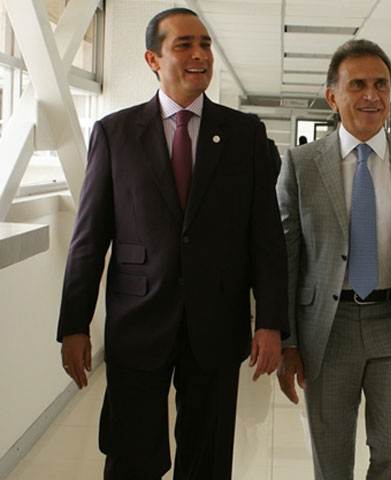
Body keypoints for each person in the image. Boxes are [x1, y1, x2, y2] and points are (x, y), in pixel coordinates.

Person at [57, 7, 288, 480]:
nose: (200, 54)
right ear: (153, 59)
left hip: (217, 323)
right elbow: (89, 238)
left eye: (205, 44)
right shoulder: (116, 133)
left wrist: (270, 322)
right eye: (184, 45)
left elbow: (266, 238)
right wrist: (74, 324)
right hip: (138, 321)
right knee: (131, 457)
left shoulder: (244, 135)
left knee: (207, 460)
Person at [276, 39, 391, 480]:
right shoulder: (301, 164)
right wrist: (288, 341)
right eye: (357, 84)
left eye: (381, 84)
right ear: (332, 96)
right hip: (327, 328)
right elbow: (286, 259)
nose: (371, 95)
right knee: (332, 459)